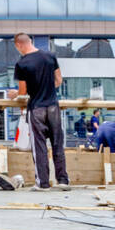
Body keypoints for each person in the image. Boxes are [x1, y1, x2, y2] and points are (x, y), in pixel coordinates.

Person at [9, 32, 69, 191]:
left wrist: (16, 93)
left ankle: (42, 183)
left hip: (36, 108)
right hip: (53, 106)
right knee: (57, 144)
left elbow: (22, 91)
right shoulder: (50, 56)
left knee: (39, 146)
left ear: (19, 45)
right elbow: (59, 81)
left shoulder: (22, 64)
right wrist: (47, 88)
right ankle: (63, 181)